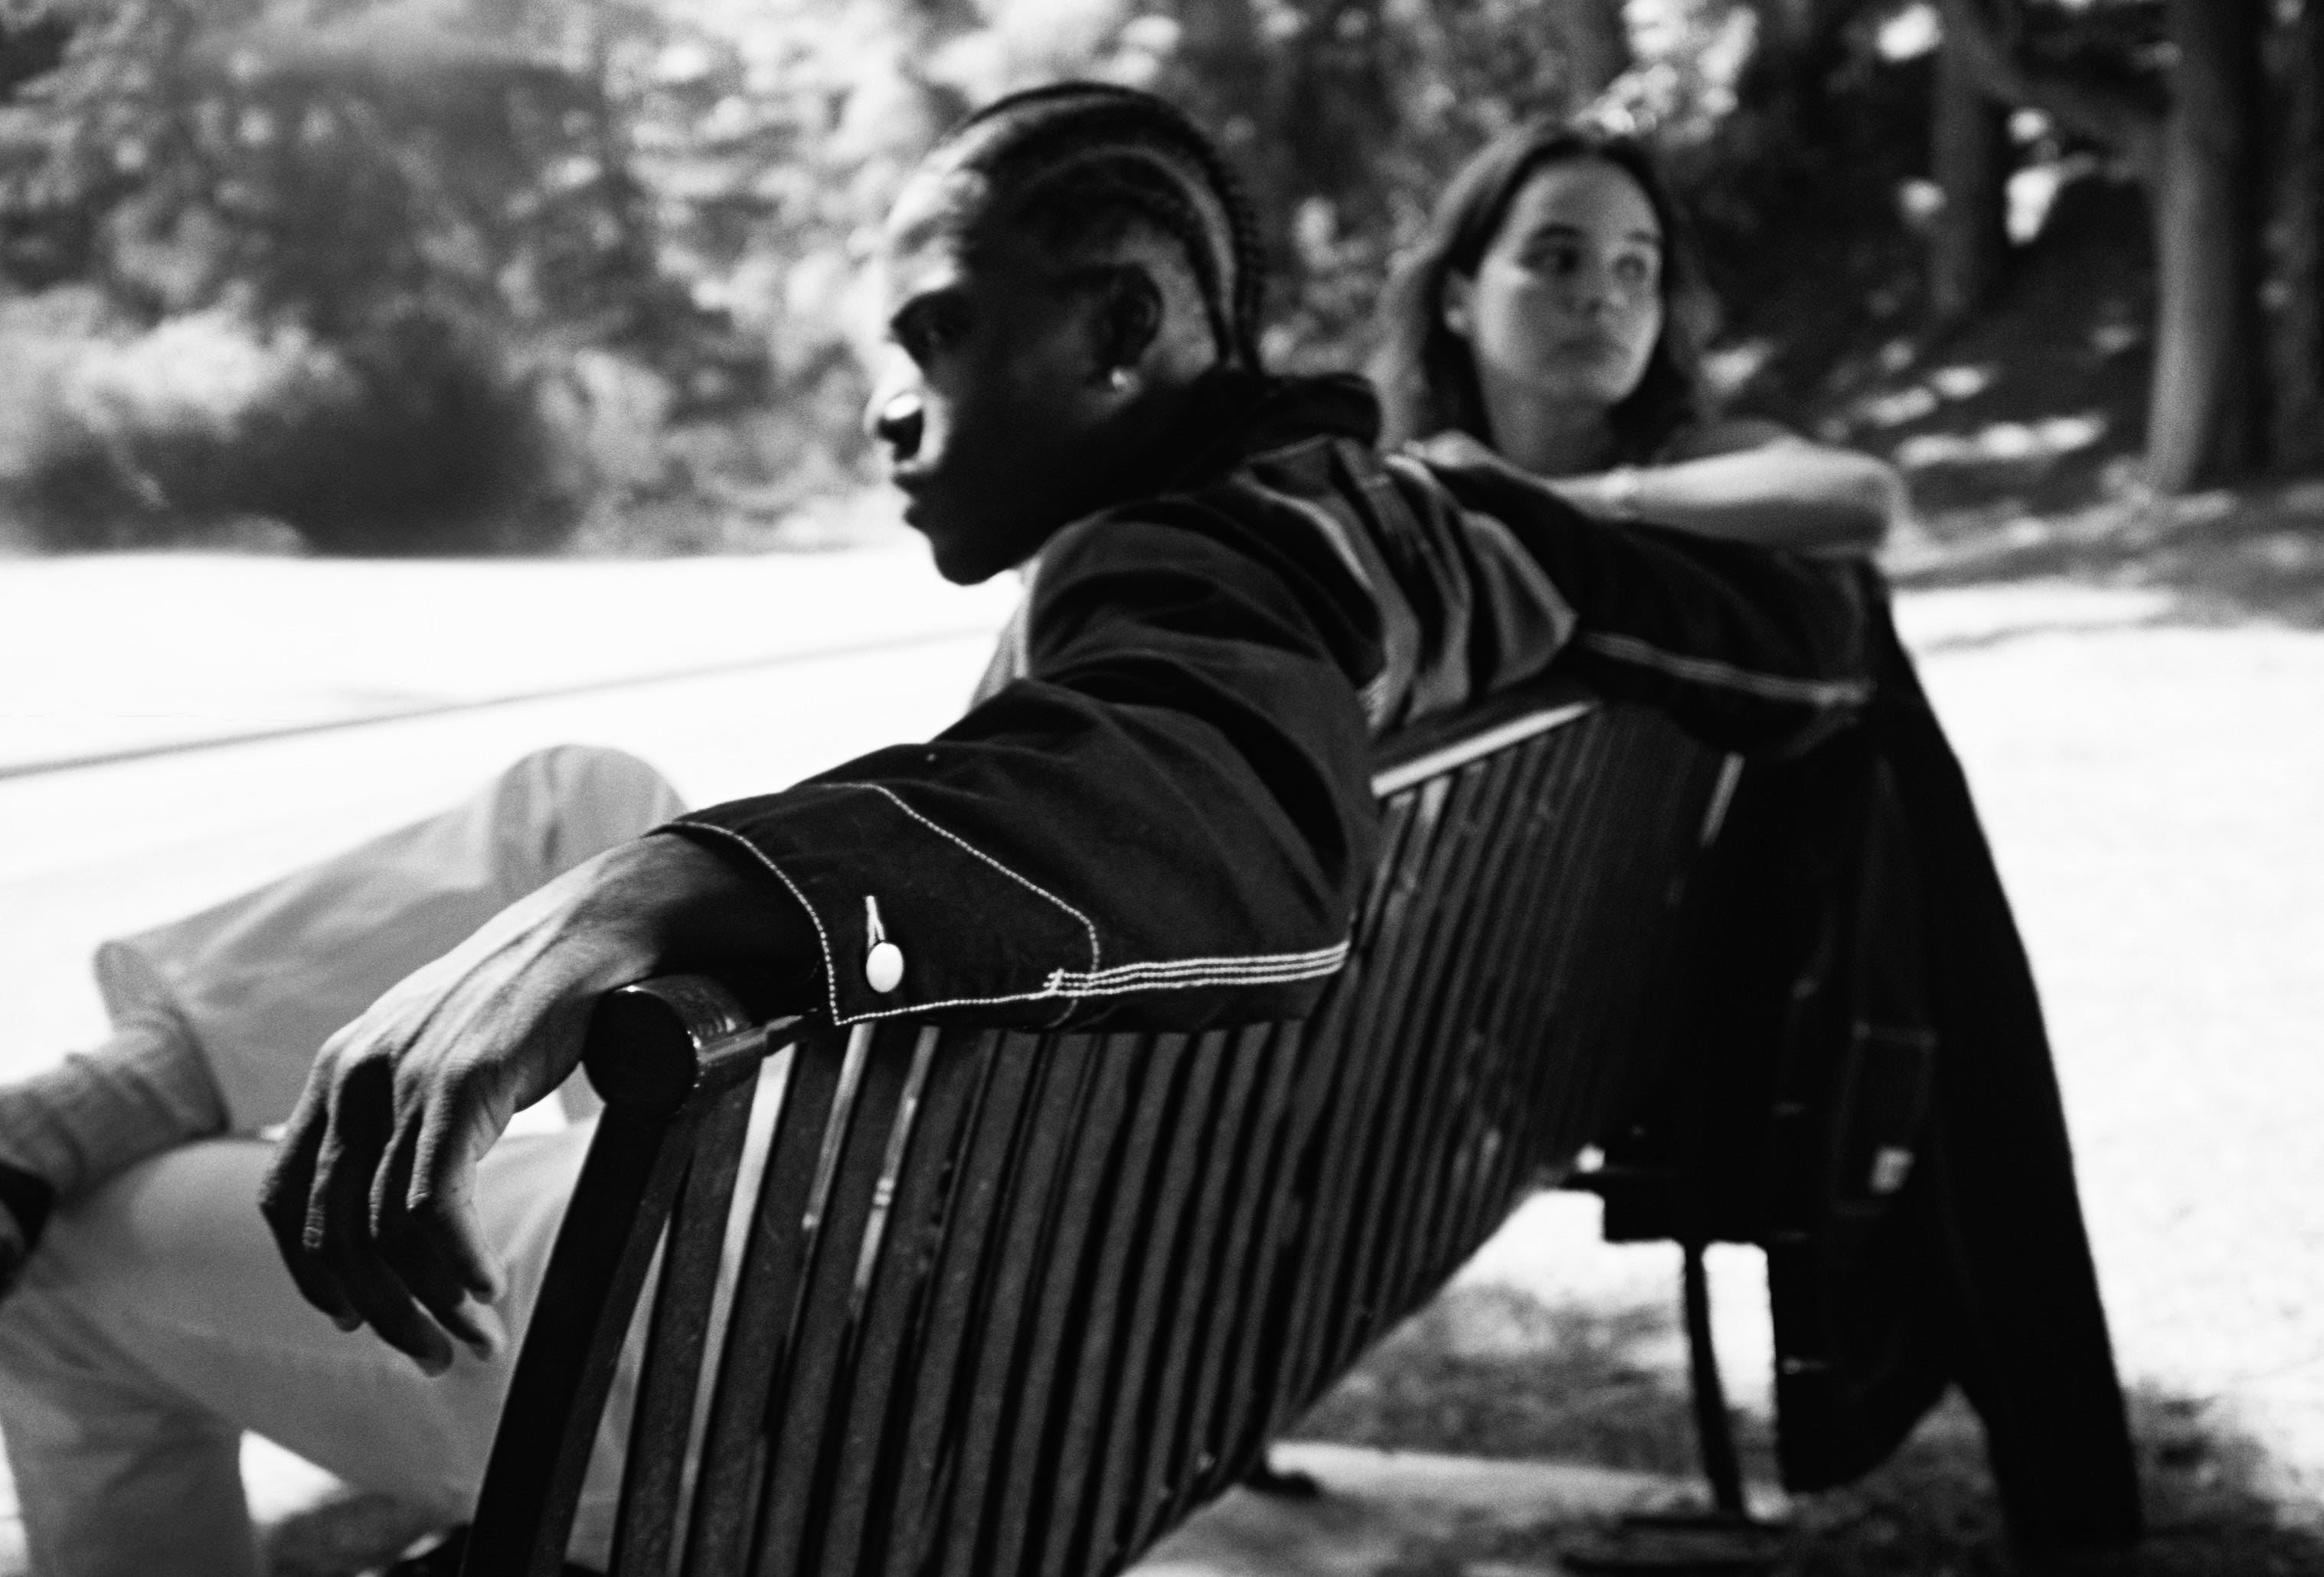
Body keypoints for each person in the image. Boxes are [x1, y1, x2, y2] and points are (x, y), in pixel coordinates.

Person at [0, 83, 1897, 1577]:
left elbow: (1198, 793)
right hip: (988, 1296)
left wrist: (650, 898)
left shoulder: (1203, 559)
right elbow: (1806, 639)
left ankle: (51, 1169)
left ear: (1123, 326)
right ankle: (67, 1114)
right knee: (570, 793)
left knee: (66, 1272)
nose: (886, 409)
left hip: (826, 1400)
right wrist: (620, 876)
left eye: (937, 332)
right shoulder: (1406, 527)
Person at [1370, 119, 1905, 555]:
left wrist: (1545, 502)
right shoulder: (1400, 496)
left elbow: (1862, 495)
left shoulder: (1702, 462)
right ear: (1456, 300)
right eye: (1556, 259)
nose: (1602, 296)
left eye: (1633, 267)